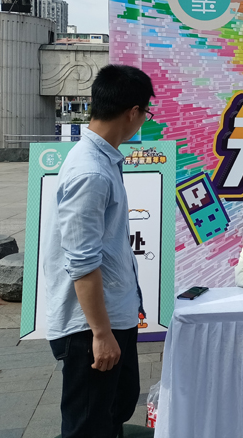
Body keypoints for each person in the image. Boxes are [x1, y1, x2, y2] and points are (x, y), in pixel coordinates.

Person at [44, 64, 154, 438]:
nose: (144, 119)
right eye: (147, 112)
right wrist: (101, 333)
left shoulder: (103, 159)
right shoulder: (90, 172)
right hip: (89, 328)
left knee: (114, 410)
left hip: (112, 316)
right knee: (89, 425)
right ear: (133, 112)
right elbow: (82, 262)